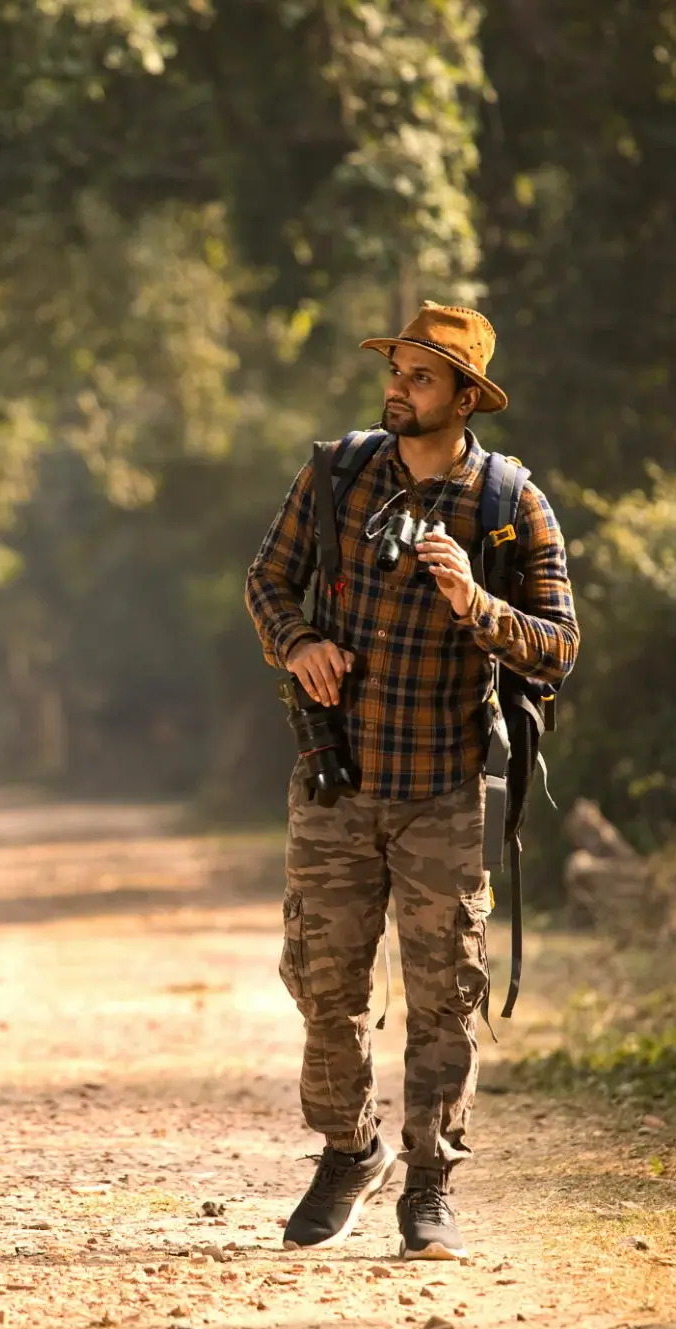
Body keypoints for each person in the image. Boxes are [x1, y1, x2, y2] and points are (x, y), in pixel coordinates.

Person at [243, 302, 578, 1259]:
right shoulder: (337, 472)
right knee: (322, 985)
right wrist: (298, 640)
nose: (398, 387)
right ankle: (349, 1149)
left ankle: (430, 1184)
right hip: (334, 781)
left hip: (443, 787)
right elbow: (267, 579)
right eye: (396, 370)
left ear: (467, 398)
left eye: (421, 376)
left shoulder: (511, 506)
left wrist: (476, 601)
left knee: (443, 997)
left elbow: (557, 649)